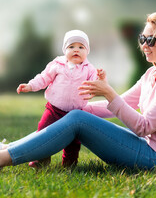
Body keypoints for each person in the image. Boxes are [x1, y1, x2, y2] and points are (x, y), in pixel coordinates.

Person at [0, 11, 156, 173]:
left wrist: (108, 93)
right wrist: (82, 108)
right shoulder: (152, 74)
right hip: (148, 146)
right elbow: (123, 103)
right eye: (143, 38)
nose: (144, 45)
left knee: (77, 118)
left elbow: (144, 126)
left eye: (152, 40)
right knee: (76, 114)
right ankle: (3, 149)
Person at [14, 29, 99, 168]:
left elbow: (95, 84)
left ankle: (69, 164)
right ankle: (40, 158)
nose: (76, 50)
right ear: (65, 50)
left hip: (75, 114)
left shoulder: (89, 69)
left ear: (87, 51)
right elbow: (44, 77)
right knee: (43, 132)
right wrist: (30, 86)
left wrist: (100, 79)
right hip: (54, 109)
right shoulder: (58, 64)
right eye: (71, 47)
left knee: (73, 141)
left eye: (81, 47)